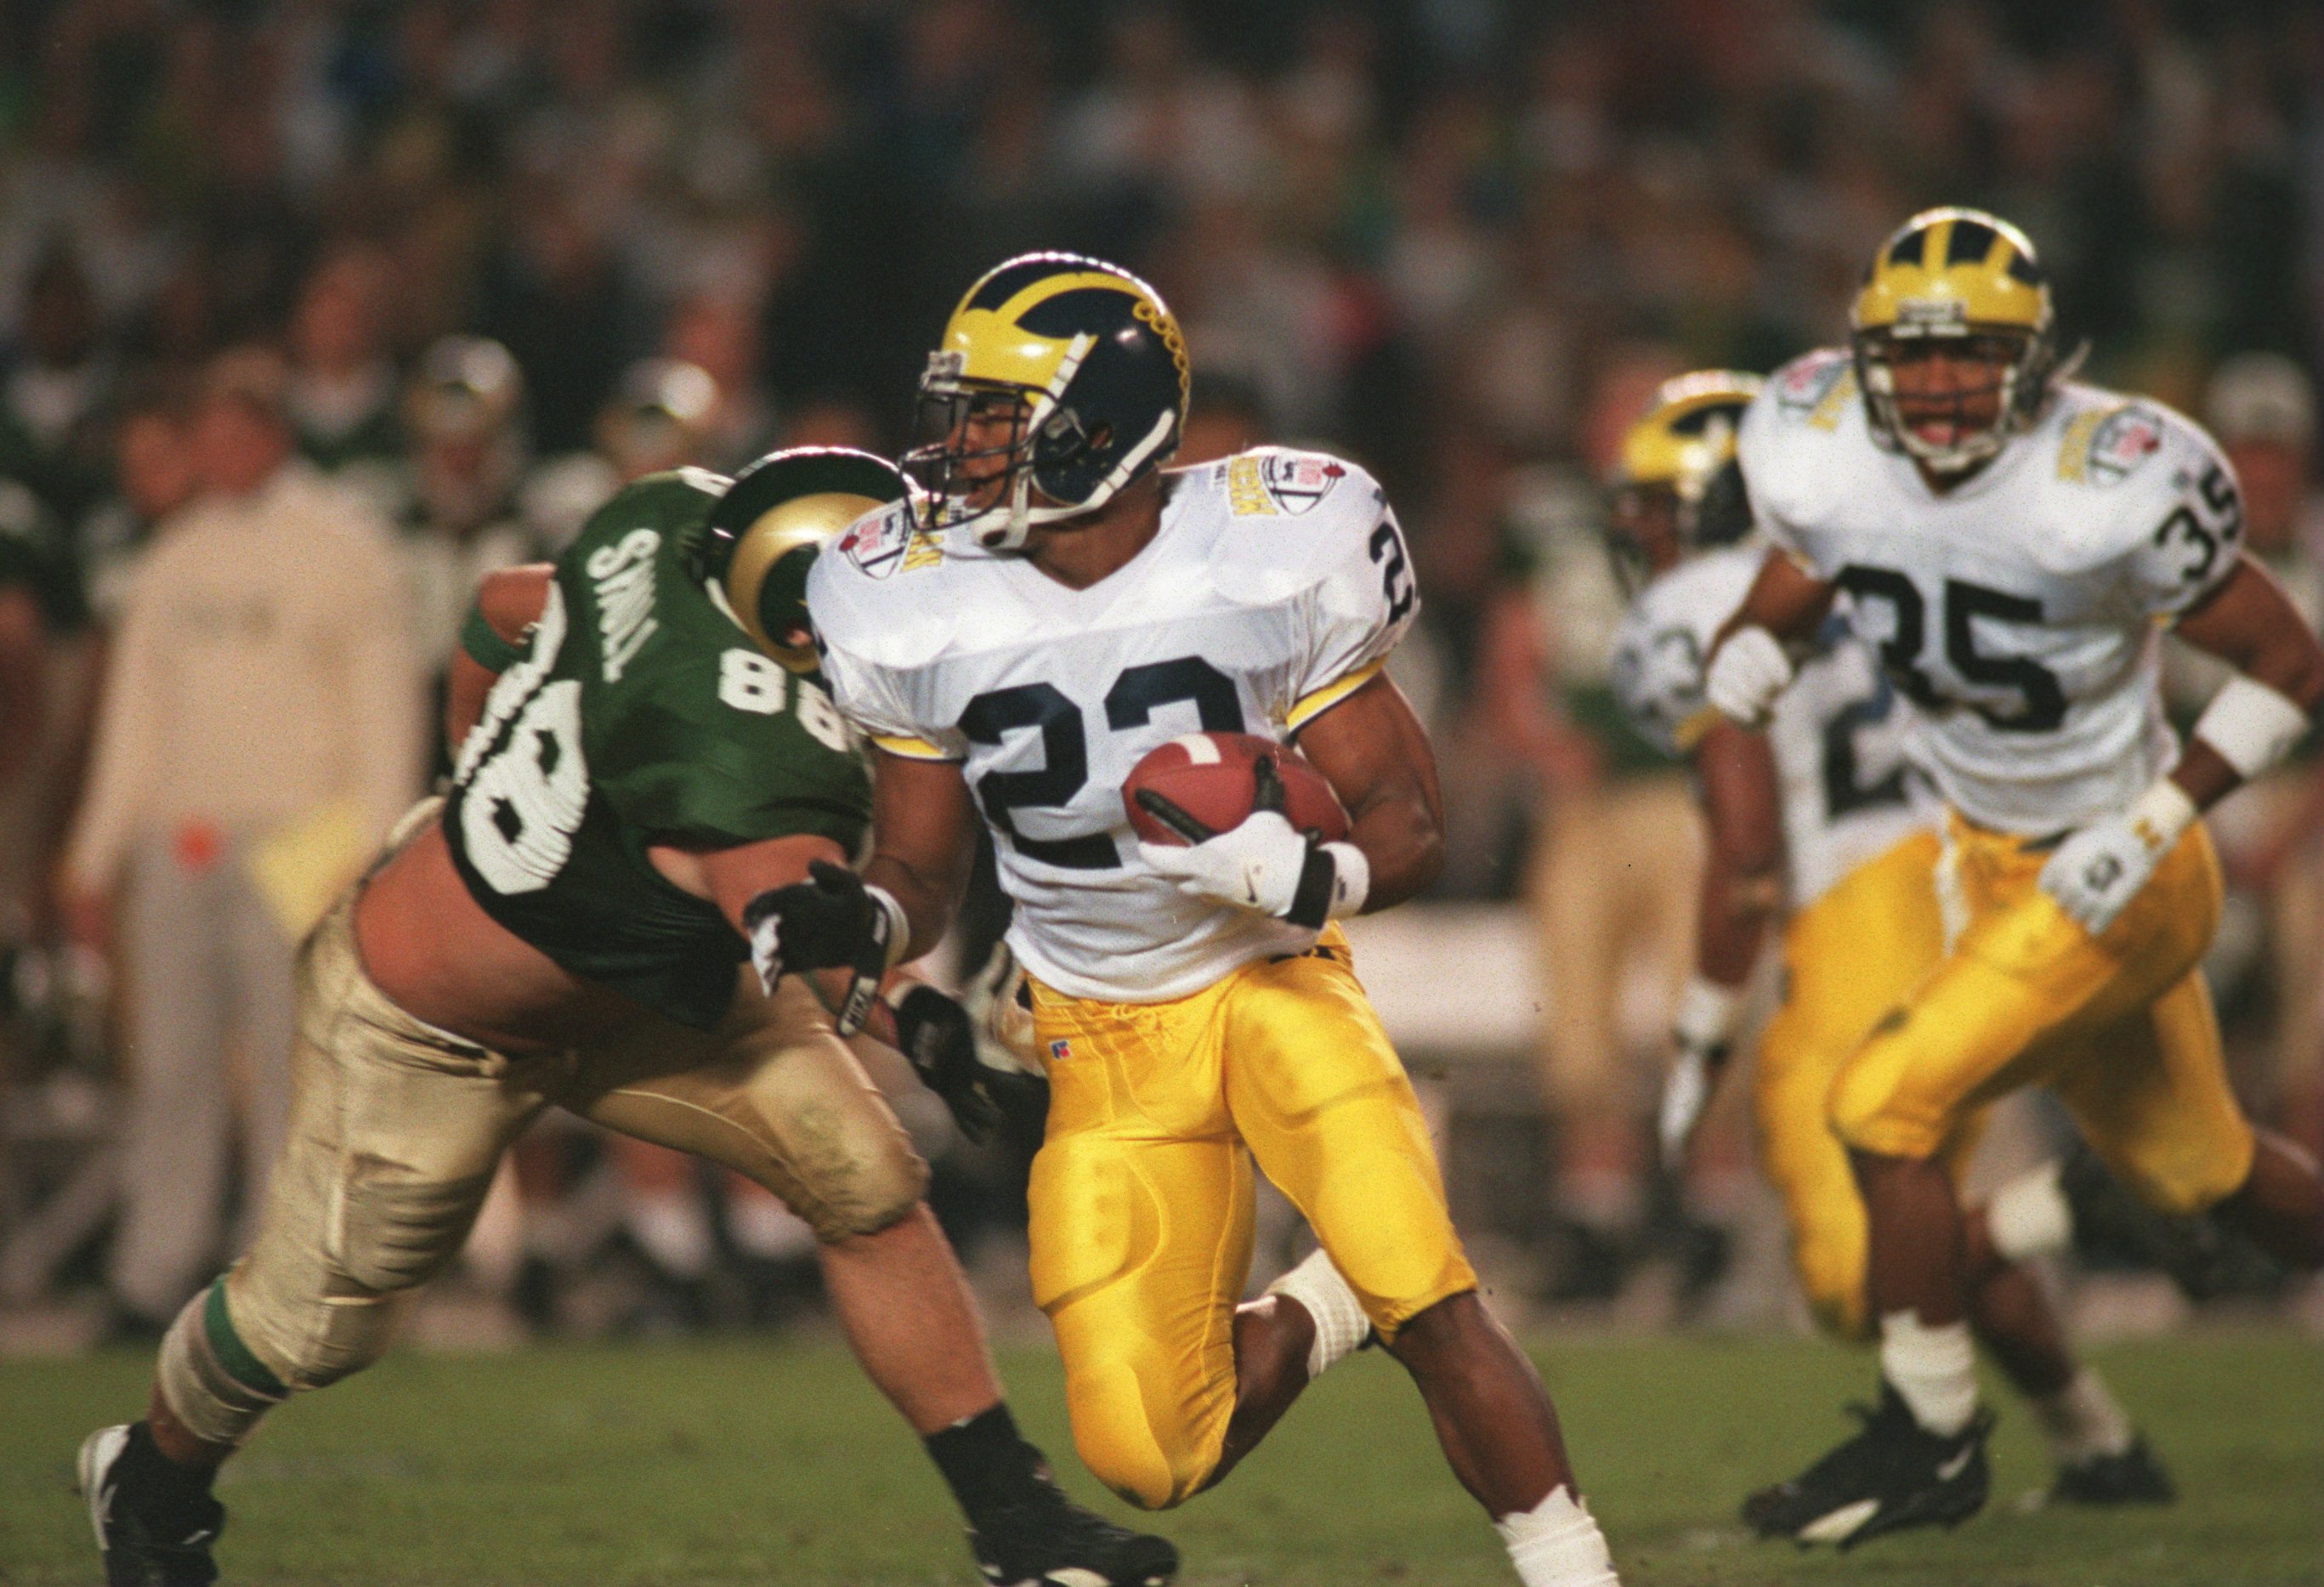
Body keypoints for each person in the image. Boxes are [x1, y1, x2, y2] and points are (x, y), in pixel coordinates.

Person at [75, 448, 1178, 1587]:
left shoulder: (673, 534)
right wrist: (935, 1028)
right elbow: (805, 939)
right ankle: (151, 1481)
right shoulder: (741, 754)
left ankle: (1017, 1524)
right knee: (316, 1326)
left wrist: (467, 765)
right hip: (429, 1024)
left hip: (638, 992)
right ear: (809, 626)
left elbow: (496, 606)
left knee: (862, 1175)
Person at [782, 253, 1623, 1587]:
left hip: (1270, 985)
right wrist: (872, 914)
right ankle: (1324, 1300)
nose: (960, 446)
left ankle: (1570, 1563)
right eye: (965, 410)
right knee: (1151, 1450)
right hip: (1095, 1038)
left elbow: (1404, 815)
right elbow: (921, 862)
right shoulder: (902, 591)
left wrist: (1311, 881)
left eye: (998, 414)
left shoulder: (1273, 543)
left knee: (1432, 1294)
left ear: (1097, 423)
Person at [1701, 207, 2324, 1546]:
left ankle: (1929, 1433)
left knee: (1880, 1106)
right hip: (1985, 860)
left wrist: (2156, 818)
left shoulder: (2107, 477)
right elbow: (1812, 555)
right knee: (2202, 1176)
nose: (1933, 386)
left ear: (2035, 361)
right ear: (1863, 361)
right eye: (1909, 359)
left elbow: (2291, 663)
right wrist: (1758, 641)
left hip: (2119, 871)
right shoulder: (1818, 447)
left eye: (1968, 356)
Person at [1607, 369, 2173, 1521]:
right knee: (1931, 1216)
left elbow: (1747, 845)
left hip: (1862, 912)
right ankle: (2098, 1444)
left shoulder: (1693, 605)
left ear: (1716, 502)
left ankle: (2088, 1195)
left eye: (1656, 507)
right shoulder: (1877, 553)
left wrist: (1702, 1026)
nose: (1639, 532)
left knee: (1853, 1276)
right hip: (1986, 873)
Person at [60, 346, 427, 1339]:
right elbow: (136, 720)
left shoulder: (344, 545)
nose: (218, 452)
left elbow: (384, 711)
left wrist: (373, 841)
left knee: (291, 1068)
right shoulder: (172, 560)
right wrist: (94, 854)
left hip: (300, 838)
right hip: (182, 839)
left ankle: (291, 1274)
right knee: (170, 1067)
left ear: (273, 433)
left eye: (235, 432)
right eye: (205, 434)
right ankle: (154, 1268)